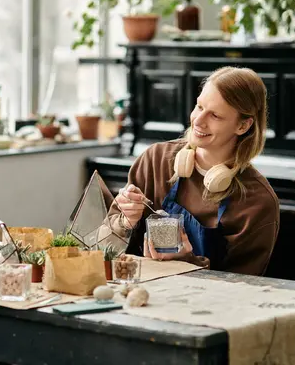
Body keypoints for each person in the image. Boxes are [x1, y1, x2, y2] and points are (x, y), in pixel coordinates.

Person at [112, 66, 279, 275]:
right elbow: (104, 245)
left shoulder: (257, 201)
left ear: (243, 126)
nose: (198, 121)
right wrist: (125, 222)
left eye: (215, 116)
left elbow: (243, 288)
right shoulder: (156, 161)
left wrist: (187, 262)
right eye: (199, 107)